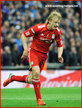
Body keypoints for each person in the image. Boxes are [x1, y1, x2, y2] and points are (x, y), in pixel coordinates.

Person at [3, 11, 64, 106]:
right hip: (33, 52)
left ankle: (13, 78)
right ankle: (39, 100)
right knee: (36, 72)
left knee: (32, 79)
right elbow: (24, 35)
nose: (57, 25)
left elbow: (60, 45)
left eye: (58, 23)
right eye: (55, 22)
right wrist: (25, 49)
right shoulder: (38, 28)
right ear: (49, 21)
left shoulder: (57, 32)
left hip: (44, 56)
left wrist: (59, 55)